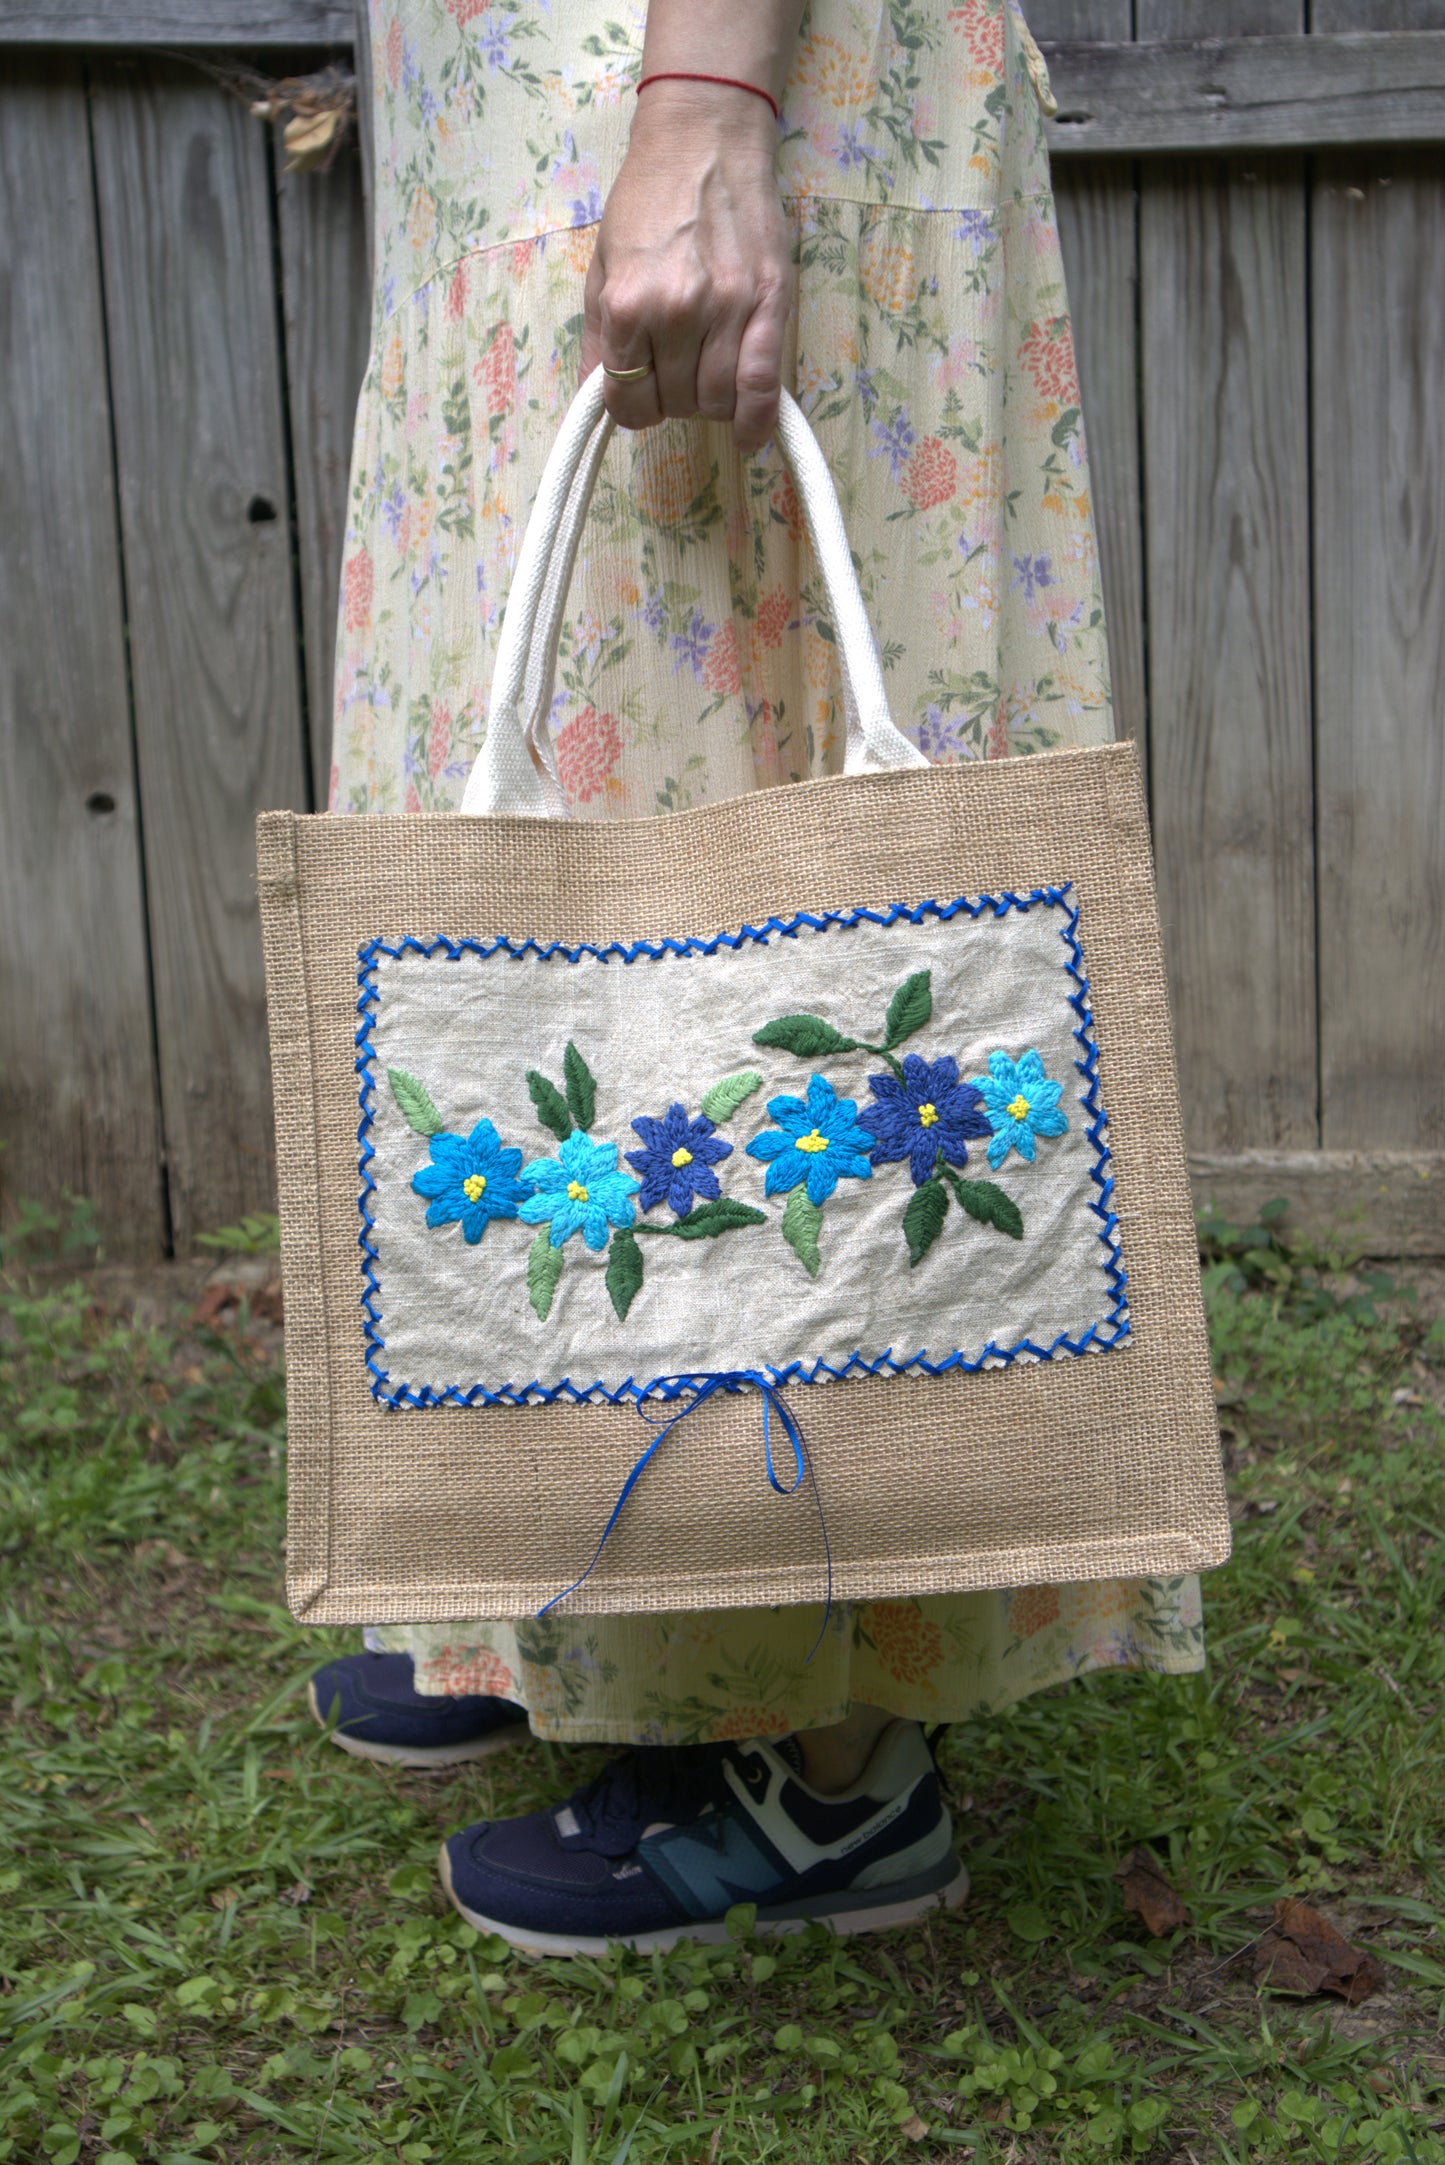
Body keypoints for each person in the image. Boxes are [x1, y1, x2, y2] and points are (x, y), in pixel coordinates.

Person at [313, 0, 1206, 1957]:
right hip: (524, 102)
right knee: (579, 867)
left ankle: (820, 1768)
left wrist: (710, 97)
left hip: (712, 65)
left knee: (747, 862)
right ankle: (562, 1591)